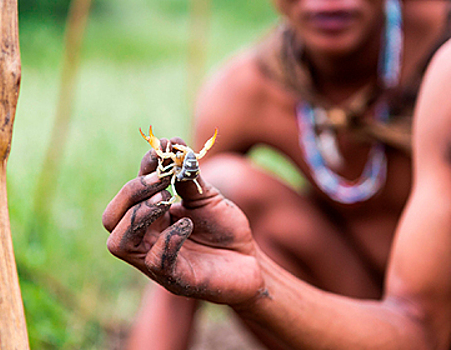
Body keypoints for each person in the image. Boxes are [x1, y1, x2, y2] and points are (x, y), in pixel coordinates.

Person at [103, 0, 451, 349]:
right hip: (362, 313)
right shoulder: (245, 90)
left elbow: (424, 330)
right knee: (220, 189)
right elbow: (186, 249)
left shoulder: (442, 52)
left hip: (431, 316)